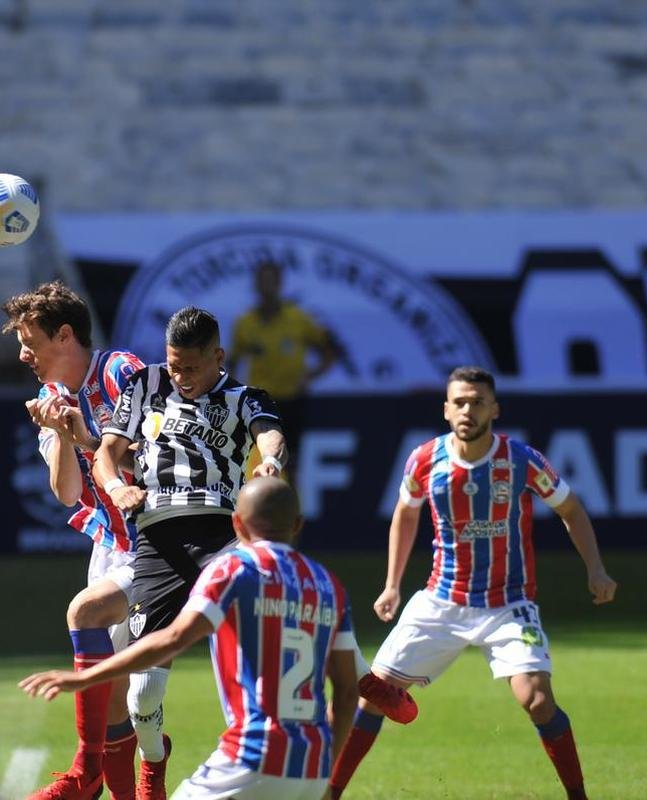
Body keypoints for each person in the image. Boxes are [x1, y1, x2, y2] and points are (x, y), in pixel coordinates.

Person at [89, 307, 416, 800]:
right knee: (143, 695)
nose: (181, 377)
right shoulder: (144, 384)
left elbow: (271, 437)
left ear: (218, 356)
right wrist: (117, 488)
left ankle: (367, 680)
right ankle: (153, 762)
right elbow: (106, 454)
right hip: (157, 541)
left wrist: (273, 463)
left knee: (285, 592)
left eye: (192, 368)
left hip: (224, 532)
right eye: (175, 366)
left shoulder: (245, 398)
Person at [327, 366, 619, 800]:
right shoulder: (425, 459)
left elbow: (571, 509)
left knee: (537, 701)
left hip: (507, 603)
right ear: (446, 409)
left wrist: (596, 567)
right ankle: (328, 795)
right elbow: (406, 514)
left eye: (477, 401)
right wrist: (392, 584)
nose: (468, 409)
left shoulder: (522, 460)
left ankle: (579, 796)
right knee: (372, 698)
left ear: (495, 409)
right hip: (441, 600)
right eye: (459, 401)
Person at [20, 477, 366, 800]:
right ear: (297, 524)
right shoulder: (328, 585)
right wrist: (324, 770)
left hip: (250, 757)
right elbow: (348, 692)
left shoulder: (234, 569)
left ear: (237, 524)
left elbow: (172, 638)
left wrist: (86, 677)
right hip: (314, 766)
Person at [2, 281, 150, 800]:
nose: (23, 355)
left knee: (90, 624)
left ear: (65, 335)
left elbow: (152, 462)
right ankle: (110, 786)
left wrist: (83, 431)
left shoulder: (120, 372)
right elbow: (66, 494)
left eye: (29, 341)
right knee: (110, 697)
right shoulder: (49, 397)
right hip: (110, 543)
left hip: (155, 542)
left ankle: (85, 773)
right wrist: (64, 432)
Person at [227, 260, 337, 484]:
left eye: (272, 281)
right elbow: (232, 361)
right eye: (262, 281)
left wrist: (311, 375)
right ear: (256, 285)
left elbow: (328, 350)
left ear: (280, 284)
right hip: (260, 403)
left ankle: (290, 512)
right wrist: (235, 392)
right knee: (258, 460)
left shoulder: (298, 319)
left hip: (292, 399)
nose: (267, 286)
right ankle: (257, 510)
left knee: (291, 461)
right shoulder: (245, 323)